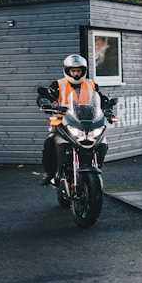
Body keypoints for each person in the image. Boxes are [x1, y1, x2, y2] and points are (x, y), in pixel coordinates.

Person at [40, 54, 115, 187]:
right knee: (49, 143)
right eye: (73, 70)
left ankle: (97, 167)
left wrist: (108, 109)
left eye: (78, 70)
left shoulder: (91, 84)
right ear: (67, 71)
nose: (76, 73)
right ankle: (49, 173)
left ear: (83, 71)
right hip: (62, 122)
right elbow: (46, 96)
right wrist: (46, 103)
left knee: (102, 142)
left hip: (86, 122)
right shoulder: (58, 84)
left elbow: (101, 99)